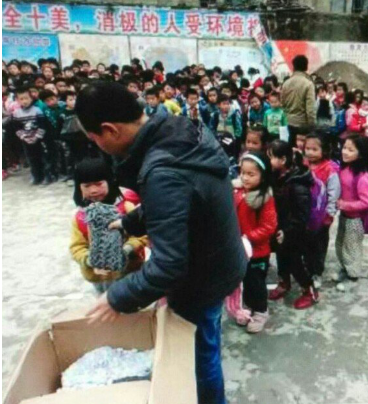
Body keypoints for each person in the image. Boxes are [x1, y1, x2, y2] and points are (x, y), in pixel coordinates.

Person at [77, 81, 247, 404]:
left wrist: (117, 297)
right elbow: (183, 200)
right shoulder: (180, 129)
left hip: (202, 278)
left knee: (199, 359)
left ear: (110, 130)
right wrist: (129, 222)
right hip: (219, 261)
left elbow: (168, 265)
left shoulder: (162, 170)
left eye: (94, 138)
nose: (96, 146)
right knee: (207, 339)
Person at [70, 158, 147, 295]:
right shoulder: (80, 218)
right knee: (105, 302)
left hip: (129, 272)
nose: (93, 190)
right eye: (86, 186)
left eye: (99, 184)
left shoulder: (126, 208)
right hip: (99, 278)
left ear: (110, 182)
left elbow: (142, 235)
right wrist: (91, 260)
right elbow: (77, 247)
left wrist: (127, 249)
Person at [267, 140, 318, 309]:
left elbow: (302, 216)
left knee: (295, 263)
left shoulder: (297, 184)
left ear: (282, 160)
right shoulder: (277, 176)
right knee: (281, 258)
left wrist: (287, 231)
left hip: (294, 232)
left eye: (271, 157)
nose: (268, 160)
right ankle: (284, 283)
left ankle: (309, 291)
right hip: (279, 228)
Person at [233, 152, 277, 333]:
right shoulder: (237, 192)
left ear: (263, 176)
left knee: (256, 283)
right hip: (239, 248)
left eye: (251, 174)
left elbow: (268, 227)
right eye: (243, 173)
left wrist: (247, 237)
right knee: (242, 281)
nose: (245, 177)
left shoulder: (264, 198)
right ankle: (247, 307)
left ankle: (260, 312)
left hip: (257, 251)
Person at [334, 134, 368, 286]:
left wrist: (344, 204)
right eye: (344, 148)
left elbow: (367, 201)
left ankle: (353, 273)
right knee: (340, 243)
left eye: (351, 150)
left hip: (355, 219)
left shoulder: (362, 176)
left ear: (361, 154)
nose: (345, 152)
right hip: (344, 216)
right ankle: (345, 268)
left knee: (352, 246)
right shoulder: (344, 168)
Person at [304, 132, 341, 288]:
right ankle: (307, 268)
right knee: (306, 243)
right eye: (307, 148)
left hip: (321, 216)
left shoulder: (329, 169)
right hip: (304, 214)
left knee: (319, 245)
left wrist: (330, 213)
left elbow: (333, 193)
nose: (310, 152)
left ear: (324, 150)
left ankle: (317, 272)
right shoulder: (302, 165)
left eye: (314, 149)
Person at [9, 87, 50, 185]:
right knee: (31, 159)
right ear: (17, 100)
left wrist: (36, 137)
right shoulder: (16, 113)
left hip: (38, 139)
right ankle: (36, 177)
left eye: (26, 98)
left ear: (31, 98)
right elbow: (17, 128)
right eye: (21, 99)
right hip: (26, 140)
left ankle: (46, 176)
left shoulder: (37, 111)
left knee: (42, 157)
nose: (24, 101)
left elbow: (42, 125)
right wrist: (24, 137)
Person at [281, 55, 316, 145]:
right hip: (303, 126)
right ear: (306, 66)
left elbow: (282, 103)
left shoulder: (286, 83)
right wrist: (312, 126)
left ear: (293, 66)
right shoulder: (308, 84)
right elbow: (310, 109)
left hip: (288, 123)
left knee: (290, 147)